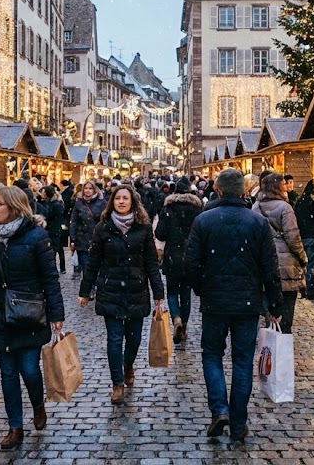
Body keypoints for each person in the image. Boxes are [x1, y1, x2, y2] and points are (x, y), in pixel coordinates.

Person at [185, 168, 282, 443]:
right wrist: (274, 303)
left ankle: (219, 410)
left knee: (212, 355)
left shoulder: (204, 221)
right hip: (247, 303)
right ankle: (238, 422)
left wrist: (202, 288)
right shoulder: (257, 222)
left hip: (215, 302)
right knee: (242, 361)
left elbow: (190, 264)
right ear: (243, 191)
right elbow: (269, 267)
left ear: (217, 190)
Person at [0, 186, 65, 450]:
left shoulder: (36, 236)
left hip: (28, 312)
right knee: (7, 374)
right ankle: (15, 426)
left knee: (28, 368)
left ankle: (37, 404)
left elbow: (50, 277)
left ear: (14, 207)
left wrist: (56, 314)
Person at [78, 184, 164, 405]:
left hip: (136, 290)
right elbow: (94, 261)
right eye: (118, 199)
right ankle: (117, 383)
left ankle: (128, 365)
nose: (122, 202)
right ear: (112, 202)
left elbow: (152, 263)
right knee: (114, 340)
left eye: (125, 198)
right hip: (111, 290)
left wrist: (158, 293)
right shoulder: (103, 227)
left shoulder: (143, 228)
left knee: (134, 339)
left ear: (133, 202)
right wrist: (85, 291)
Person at [252, 173, 308, 335]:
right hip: (286, 265)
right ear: (276, 187)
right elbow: (293, 237)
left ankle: (271, 340)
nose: (286, 187)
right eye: (283, 184)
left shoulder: (256, 207)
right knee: (287, 312)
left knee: (270, 311)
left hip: (265, 263)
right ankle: (283, 345)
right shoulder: (285, 208)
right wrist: (303, 257)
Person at [155, 177, 203, 345]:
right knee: (186, 294)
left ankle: (176, 319)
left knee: (173, 292)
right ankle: (184, 324)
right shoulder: (197, 209)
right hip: (190, 256)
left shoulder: (168, 208)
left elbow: (160, 233)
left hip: (173, 256)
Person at [294, 178, 314, 300]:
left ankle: (302, 289)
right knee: (312, 266)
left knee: (302, 264)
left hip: (302, 235)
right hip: (313, 235)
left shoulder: (300, 200)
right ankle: (311, 291)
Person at [68, 180, 106, 283]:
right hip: (82, 239)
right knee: (85, 266)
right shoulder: (79, 203)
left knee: (96, 265)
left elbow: (105, 220)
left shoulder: (102, 203)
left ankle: (97, 285)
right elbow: (74, 221)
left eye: (90, 188)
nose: (88, 191)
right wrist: (73, 239)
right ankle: (90, 288)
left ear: (94, 190)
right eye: (86, 188)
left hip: (97, 239)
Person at [40, 185, 67, 274]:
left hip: (54, 230)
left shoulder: (55, 204)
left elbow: (52, 217)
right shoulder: (52, 203)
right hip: (54, 229)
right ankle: (61, 268)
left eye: (44, 192)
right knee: (58, 249)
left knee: (56, 250)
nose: (42, 194)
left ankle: (57, 268)